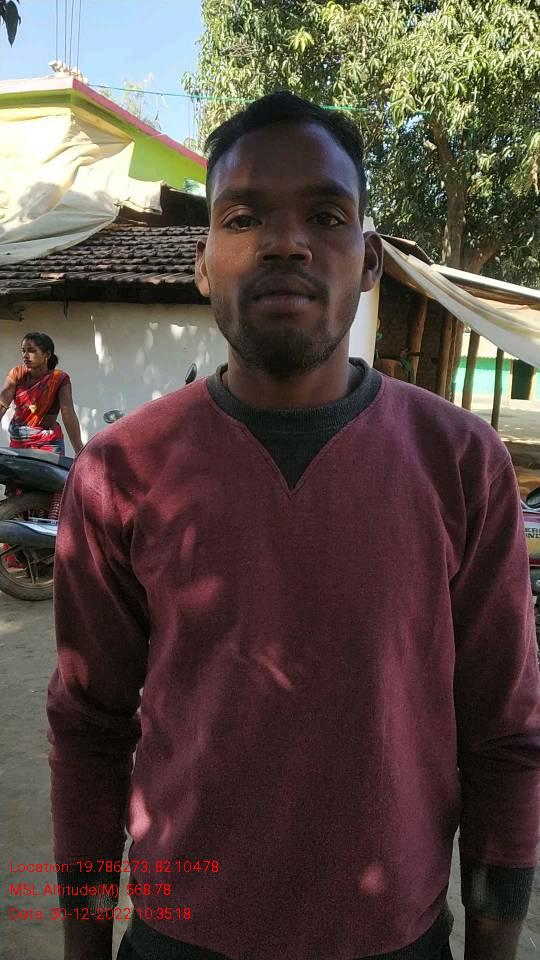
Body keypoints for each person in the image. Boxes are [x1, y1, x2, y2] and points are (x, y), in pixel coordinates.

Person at [47, 92, 540, 960]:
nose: (285, 243)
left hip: (396, 941)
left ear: (370, 260)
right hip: (176, 941)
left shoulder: (462, 465)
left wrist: (494, 945)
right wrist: (85, 949)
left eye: (325, 215)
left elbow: (504, 737)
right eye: (243, 218)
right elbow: (90, 729)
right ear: (203, 263)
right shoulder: (120, 474)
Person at [0, 332, 84, 456]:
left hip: (49, 444)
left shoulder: (59, 379)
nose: (25, 355)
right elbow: (2, 405)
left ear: (47, 355)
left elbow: (68, 414)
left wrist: (79, 451)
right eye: (23, 351)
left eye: (31, 351)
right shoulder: (17, 374)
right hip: (19, 442)